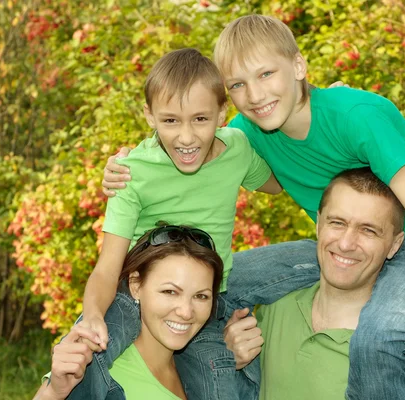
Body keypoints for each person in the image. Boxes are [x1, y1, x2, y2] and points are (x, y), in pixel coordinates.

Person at [102, 14, 405, 400]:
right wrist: (126, 167)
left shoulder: (356, 117)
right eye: (238, 85)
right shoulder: (247, 133)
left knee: (379, 338)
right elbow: (186, 134)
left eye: (266, 74)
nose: (255, 94)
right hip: (343, 247)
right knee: (210, 285)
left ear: (299, 66)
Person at [222, 169, 405, 400]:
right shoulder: (272, 307)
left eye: (368, 230)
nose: (346, 243)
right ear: (319, 224)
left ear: (394, 245)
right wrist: (225, 361)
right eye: (337, 223)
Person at [80, 47, 281, 359]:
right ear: (150, 115)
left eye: (200, 119)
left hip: (213, 292)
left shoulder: (238, 150)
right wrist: (93, 316)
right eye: (170, 120)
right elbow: (108, 269)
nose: (186, 137)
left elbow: (281, 183)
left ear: (222, 114)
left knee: (309, 259)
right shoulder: (132, 173)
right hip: (140, 295)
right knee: (88, 351)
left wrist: (318, 111)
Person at [33, 225, 224, 400]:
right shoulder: (98, 365)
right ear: (135, 286)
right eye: (170, 292)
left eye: (201, 296)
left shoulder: (205, 374)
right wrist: (54, 392)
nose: (186, 312)